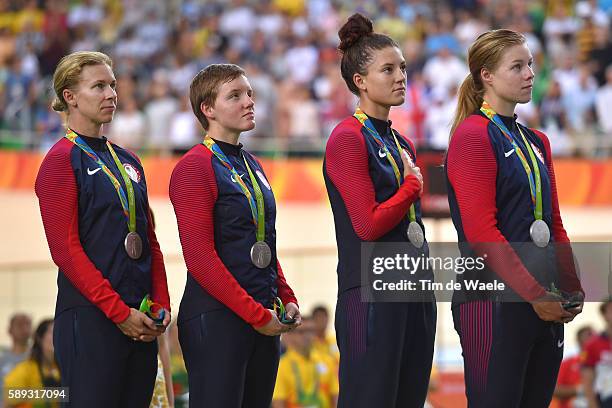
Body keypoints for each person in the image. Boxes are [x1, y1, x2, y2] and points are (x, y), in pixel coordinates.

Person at [446, 29, 584, 407]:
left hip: (543, 299)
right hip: (491, 299)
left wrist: (570, 284)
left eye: (531, 65)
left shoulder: (536, 141)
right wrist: (535, 294)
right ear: (486, 75)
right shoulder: (472, 135)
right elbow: (481, 232)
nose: (529, 75)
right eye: (517, 66)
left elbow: (553, 222)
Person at [35, 51, 171, 407]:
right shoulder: (59, 162)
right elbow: (65, 251)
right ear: (70, 96)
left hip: (139, 319)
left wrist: (161, 305)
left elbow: (148, 240)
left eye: (112, 85)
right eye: (99, 86)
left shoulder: (128, 161)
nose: (112, 93)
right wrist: (118, 312)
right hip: (91, 319)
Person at [169, 63, 300, 408]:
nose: (249, 102)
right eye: (235, 95)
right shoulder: (193, 166)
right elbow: (200, 258)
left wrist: (284, 294)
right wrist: (257, 314)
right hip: (217, 318)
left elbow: (263, 243)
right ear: (207, 109)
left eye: (250, 94)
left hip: (261, 315)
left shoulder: (252, 164)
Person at [323, 13, 435, 408]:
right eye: (387, 69)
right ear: (360, 81)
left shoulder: (402, 141)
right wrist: (409, 189)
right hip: (370, 290)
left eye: (402, 67)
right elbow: (367, 225)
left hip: (414, 285)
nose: (400, 76)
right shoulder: (346, 138)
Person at [272, 317, 339, 408]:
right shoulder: (282, 366)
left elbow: (335, 396)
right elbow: (278, 402)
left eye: (311, 331)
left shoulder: (328, 361)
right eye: (302, 332)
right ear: (291, 335)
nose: (307, 336)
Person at [3, 319, 60, 408]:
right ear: (40, 338)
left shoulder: (64, 369)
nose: (59, 336)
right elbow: (10, 396)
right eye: (53, 332)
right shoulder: (25, 370)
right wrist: (60, 394)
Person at [581, 298, 612, 408]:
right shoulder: (592, 344)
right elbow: (587, 380)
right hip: (604, 400)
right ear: (604, 314)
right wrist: (592, 404)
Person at [554, 325, 594, 408]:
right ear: (579, 340)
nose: (593, 338)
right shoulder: (568, 363)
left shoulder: (601, 362)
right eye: (589, 335)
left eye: (594, 335)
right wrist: (579, 390)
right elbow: (554, 390)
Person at [0, 313, 32, 408]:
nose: (25, 329)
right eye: (19, 325)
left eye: (28, 324)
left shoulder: (38, 358)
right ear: (10, 330)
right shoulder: (2, 360)